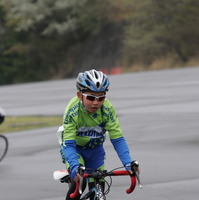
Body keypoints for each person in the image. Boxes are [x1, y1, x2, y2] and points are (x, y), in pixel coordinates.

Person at [57, 69, 140, 200]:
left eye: (101, 97)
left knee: (99, 188)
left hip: (95, 151)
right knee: (79, 187)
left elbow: (117, 139)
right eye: (91, 97)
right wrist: (74, 166)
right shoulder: (72, 110)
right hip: (75, 149)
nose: (96, 102)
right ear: (80, 95)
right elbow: (69, 144)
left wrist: (128, 164)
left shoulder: (107, 109)